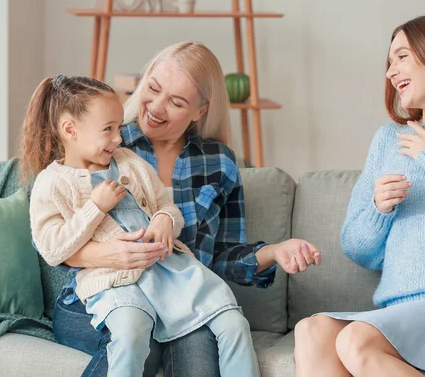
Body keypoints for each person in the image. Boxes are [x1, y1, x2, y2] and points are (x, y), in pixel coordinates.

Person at [50, 42, 323, 377]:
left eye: (177, 102)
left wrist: (275, 251)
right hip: (101, 295)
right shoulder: (110, 143)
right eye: (153, 89)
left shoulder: (219, 162)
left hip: (181, 301)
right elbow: (50, 239)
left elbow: (218, 256)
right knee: (141, 343)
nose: (157, 108)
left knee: (199, 356)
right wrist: (110, 256)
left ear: (199, 111)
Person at [21, 74, 262, 376]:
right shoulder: (51, 183)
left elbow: (166, 207)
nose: (118, 138)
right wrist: (95, 207)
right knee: (133, 330)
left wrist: (164, 219)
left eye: (119, 128)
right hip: (114, 282)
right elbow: (52, 247)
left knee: (233, 321)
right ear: (70, 130)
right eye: (108, 129)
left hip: (170, 270)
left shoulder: (129, 163)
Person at [294, 13, 425, 377]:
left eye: (401, 57)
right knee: (312, 331)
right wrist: (377, 209)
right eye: (389, 62)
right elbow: (357, 249)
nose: (390, 71)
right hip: (401, 312)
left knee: (356, 340)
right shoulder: (388, 139)